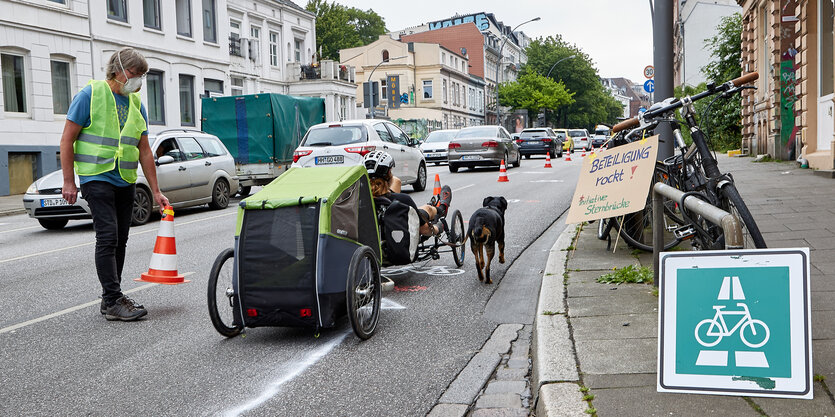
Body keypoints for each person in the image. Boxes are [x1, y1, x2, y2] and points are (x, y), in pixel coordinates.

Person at [60, 47, 169, 321]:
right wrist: (68, 181)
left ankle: (111, 297)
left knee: (120, 238)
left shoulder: (136, 104)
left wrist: (156, 191)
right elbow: (67, 140)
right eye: (134, 74)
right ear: (118, 70)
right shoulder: (90, 95)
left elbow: (145, 150)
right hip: (96, 176)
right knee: (107, 236)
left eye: (142, 76)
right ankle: (113, 300)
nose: (138, 81)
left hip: (125, 179)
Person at [363, 151, 450, 237]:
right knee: (427, 209)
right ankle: (441, 208)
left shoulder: (360, 202)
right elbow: (424, 230)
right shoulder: (403, 199)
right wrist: (438, 227)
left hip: (372, 239)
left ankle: (438, 209)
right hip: (400, 233)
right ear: (389, 173)